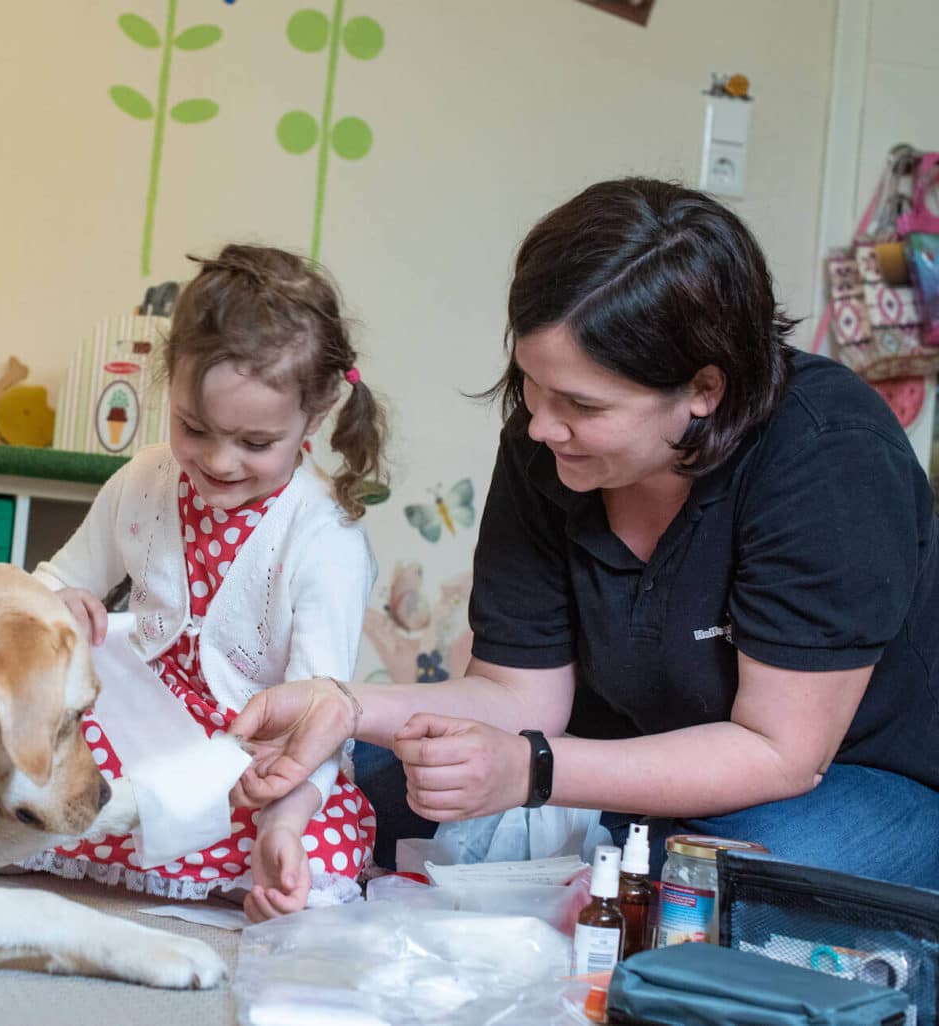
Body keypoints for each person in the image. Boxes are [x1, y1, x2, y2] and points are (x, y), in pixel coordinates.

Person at [229, 178, 939, 890]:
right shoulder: (548, 445)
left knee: (703, 885)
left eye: (581, 403)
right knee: (364, 800)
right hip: (599, 759)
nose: (541, 425)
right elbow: (521, 700)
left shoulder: (829, 456)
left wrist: (534, 769)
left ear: (704, 390)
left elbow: (782, 752)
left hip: (847, 782)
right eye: (532, 385)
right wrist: (344, 706)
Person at [27, 243, 388, 920]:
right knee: (34, 740)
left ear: (315, 416)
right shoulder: (144, 479)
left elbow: (316, 722)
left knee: (312, 842)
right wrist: (60, 606)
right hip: (142, 726)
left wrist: (282, 824)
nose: (219, 461)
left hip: (247, 760)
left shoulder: (323, 535)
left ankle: (190, 842)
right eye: (194, 428)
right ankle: (117, 829)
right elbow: (53, 582)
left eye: (255, 443)